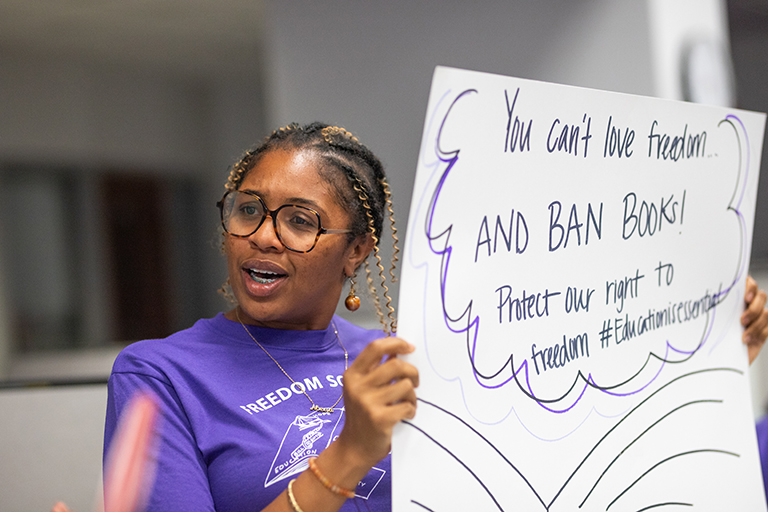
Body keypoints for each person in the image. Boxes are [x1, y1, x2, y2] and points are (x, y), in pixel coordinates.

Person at [103, 122, 768, 512]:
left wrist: (704, 364)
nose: (264, 236)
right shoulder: (161, 374)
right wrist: (350, 452)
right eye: (248, 209)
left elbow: (566, 479)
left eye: (300, 221)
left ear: (357, 251)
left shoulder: (411, 362)